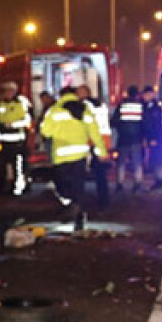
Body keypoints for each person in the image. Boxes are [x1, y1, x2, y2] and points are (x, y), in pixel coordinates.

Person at [40, 85, 106, 231]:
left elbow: (46, 131)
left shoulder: (54, 110)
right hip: (80, 155)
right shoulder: (85, 110)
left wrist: (60, 130)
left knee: (63, 186)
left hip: (62, 156)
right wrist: (102, 151)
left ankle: (71, 205)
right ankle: (79, 217)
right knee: (78, 186)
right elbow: (94, 133)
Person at [75, 85, 111, 208]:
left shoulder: (84, 105)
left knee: (81, 173)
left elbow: (86, 125)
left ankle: (82, 202)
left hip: (90, 141)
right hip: (102, 140)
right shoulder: (100, 104)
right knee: (100, 174)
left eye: (78, 93)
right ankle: (103, 200)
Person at [0, 81, 32, 195]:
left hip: (17, 139)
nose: (8, 93)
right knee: (2, 164)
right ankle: (5, 186)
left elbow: (27, 120)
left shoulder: (21, 103)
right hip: (4, 139)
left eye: (10, 91)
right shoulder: (2, 104)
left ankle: (19, 187)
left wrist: (13, 125)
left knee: (18, 165)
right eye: (6, 91)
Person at [111, 85, 146, 193]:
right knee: (137, 163)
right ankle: (137, 185)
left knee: (121, 163)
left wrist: (121, 128)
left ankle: (119, 185)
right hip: (136, 139)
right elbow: (144, 123)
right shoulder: (141, 106)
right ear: (137, 94)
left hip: (123, 138)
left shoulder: (121, 106)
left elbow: (113, 122)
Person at [140, 85, 162, 190]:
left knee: (157, 160)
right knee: (154, 159)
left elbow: (156, 124)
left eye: (146, 95)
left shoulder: (154, 108)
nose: (144, 97)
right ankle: (158, 180)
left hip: (156, 138)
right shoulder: (148, 106)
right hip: (152, 137)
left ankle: (160, 181)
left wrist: (153, 138)